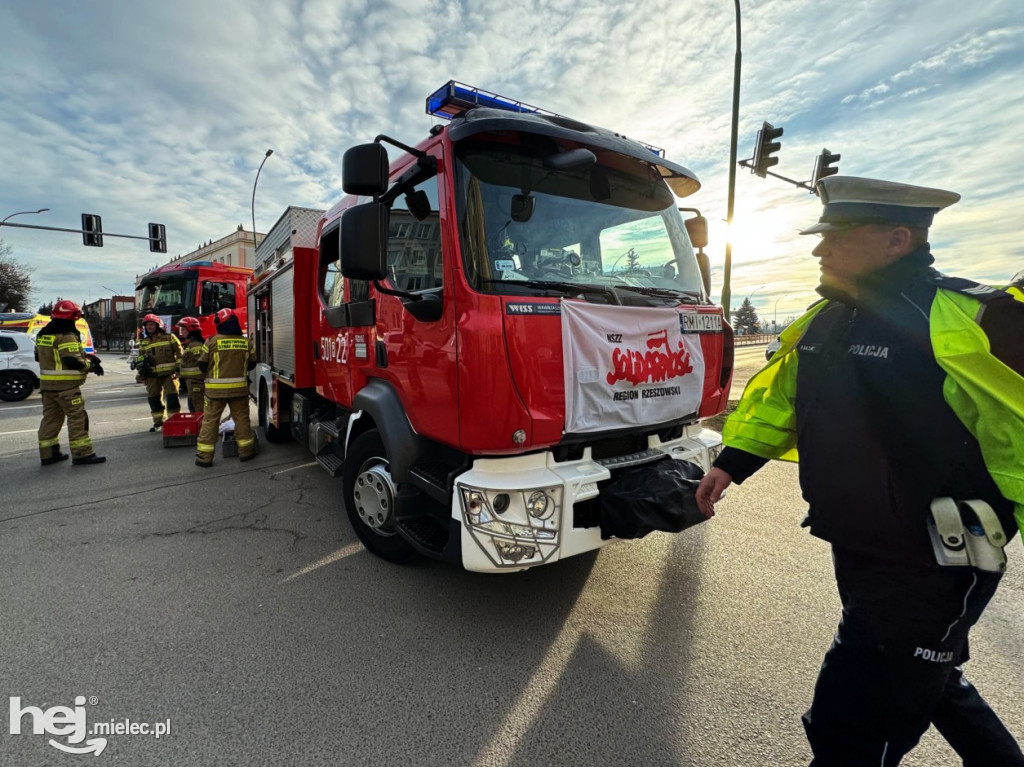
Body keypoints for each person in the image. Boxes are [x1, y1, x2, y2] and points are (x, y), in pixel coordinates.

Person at [695, 176, 1024, 766]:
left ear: (898, 239)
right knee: (930, 676)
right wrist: (733, 464)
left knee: (855, 721)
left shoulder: (973, 317)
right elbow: (784, 400)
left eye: (836, 237)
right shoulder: (825, 320)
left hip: (941, 555)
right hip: (856, 539)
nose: (819, 250)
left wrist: (995, 521)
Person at [34, 300, 106, 466]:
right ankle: (82, 454)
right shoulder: (66, 334)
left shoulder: (43, 334)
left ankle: (49, 454)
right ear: (72, 317)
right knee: (77, 419)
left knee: (50, 420)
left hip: (47, 388)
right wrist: (91, 365)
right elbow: (72, 361)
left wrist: (87, 356)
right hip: (66, 388)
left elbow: (40, 357)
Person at [194, 308, 257, 468]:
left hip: (215, 392)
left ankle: (204, 457)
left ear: (219, 324)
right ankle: (246, 452)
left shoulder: (211, 341)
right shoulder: (246, 342)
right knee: (241, 419)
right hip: (239, 391)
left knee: (210, 422)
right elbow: (251, 365)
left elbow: (201, 365)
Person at [137, 313, 182, 431]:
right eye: (147, 325)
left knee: (172, 398)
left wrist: (178, 368)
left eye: (151, 324)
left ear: (158, 325)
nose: (149, 327)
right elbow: (140, 360)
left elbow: (180, 353)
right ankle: (158, 422)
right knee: (153, 399)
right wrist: (141, 374)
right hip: (152, 376)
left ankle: (174, 421)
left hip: (169, 375)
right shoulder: (144, 342)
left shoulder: (169, 337)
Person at [175, 316, 206, 413]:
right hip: (191, 382)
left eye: (183, 329)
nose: (181, 332)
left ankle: (201, 427)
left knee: (197, 408)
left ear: (191, 330)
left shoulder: (196, 346)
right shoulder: (190, 344)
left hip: (196, 382)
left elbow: (202, 363)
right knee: (193, 406)